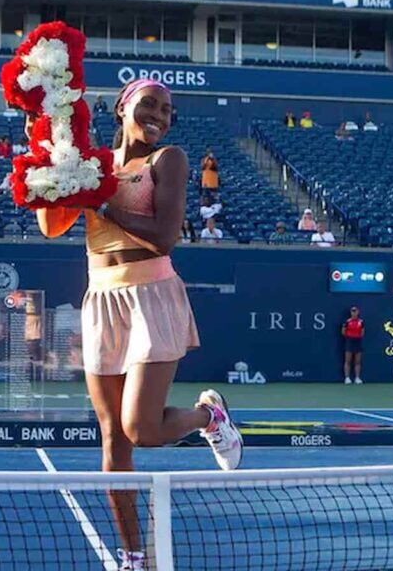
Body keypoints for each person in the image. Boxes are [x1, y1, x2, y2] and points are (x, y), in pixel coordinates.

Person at [34, 78, 243, 571]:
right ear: (123, 108)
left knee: (142, 429)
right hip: (101, 299)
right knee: (113, 439)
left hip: (152, 297)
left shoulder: (168, 159)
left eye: (167, 110)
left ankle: (208, 418)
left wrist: (100, 203)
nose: (159, 115)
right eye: (149, 105)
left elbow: (166, 238)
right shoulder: (92, 165)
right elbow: (52, 225)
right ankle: (132, 557)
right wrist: (51, 174)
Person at [341, 306, 364, 384]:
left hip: (358, 341)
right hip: (349, 341)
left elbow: (362, 332)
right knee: (348, 360)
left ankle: (357, 378)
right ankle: (347, 378)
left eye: (355, 311)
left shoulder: (361, 322)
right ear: (351, 313)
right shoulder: (347, 322)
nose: (354, 313)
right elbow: (343, 332)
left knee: (357, 361)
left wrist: (356, 336)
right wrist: (350, 336)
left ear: (358, 312)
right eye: (352, 311)